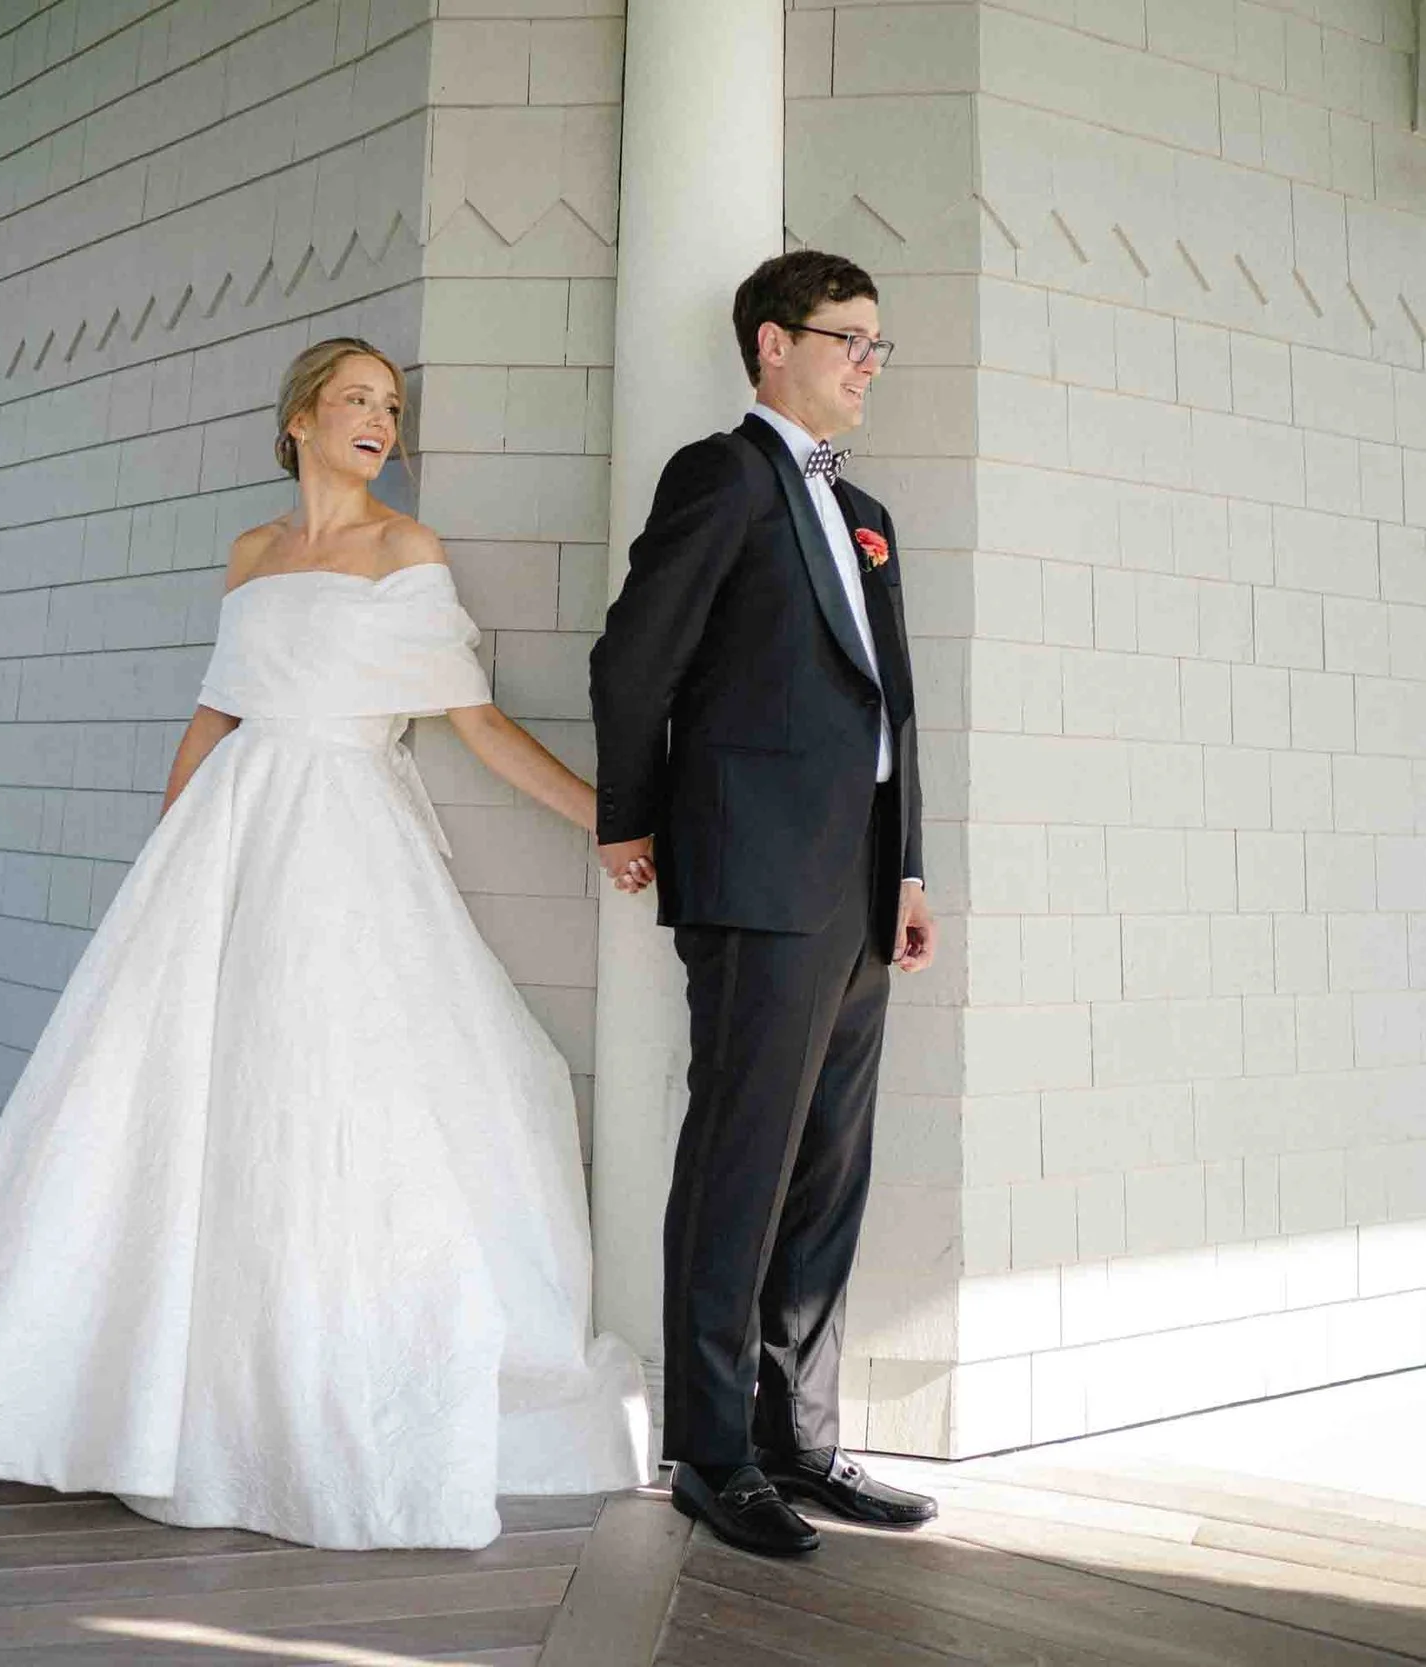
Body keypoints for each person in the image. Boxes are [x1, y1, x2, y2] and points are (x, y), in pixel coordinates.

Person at [0, 337, 651, 1550]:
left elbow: (476, 722)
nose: (377, 420)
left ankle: (316, 1390)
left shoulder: (407, 550)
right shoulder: (250, 554)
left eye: (391, 407)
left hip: (345, 838)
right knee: (190, 1093)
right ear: (298, 417)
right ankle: (161, 1391)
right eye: (354, 399)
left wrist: (608, 820)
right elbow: (216, 711)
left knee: (330, 1089)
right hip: (233, 838)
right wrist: (170, 860)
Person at [590, 251, 940, 1558]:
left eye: (875, 344)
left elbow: (892, 710)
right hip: (755, 879)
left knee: (827, 1172)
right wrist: (630, 815)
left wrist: (908, 872)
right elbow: (636, 655)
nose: (867, 362)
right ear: (772, 344)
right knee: (742, 1161)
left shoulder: (871, 515)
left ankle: (801, 1440)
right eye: (847, 338)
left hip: (855, 890)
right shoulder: (722, 474)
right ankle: (712, 1449)